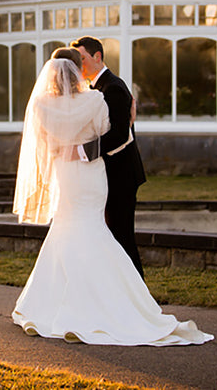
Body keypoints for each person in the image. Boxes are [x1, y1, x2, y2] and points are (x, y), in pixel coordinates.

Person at [11, 55, 212, 346]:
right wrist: (129, 122)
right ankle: (112, 303)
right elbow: (112, 136)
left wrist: (65, 149)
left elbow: (42, 145)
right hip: (91, 177)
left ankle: (49, 306)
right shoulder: (94, 100)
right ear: (78, 71)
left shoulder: (41, 105)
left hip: (65, 176)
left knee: (66, 230)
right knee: (93, 230)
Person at [71, 35, 147, 278]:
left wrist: (80, 151)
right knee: (113, 237)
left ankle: (140, 296)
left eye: (82, 58)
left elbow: (118, 136)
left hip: (122, 175)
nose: (79, 65)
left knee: (123, 237)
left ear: (97, 57)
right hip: (109, 175)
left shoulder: (113, 87)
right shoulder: (96, 88)